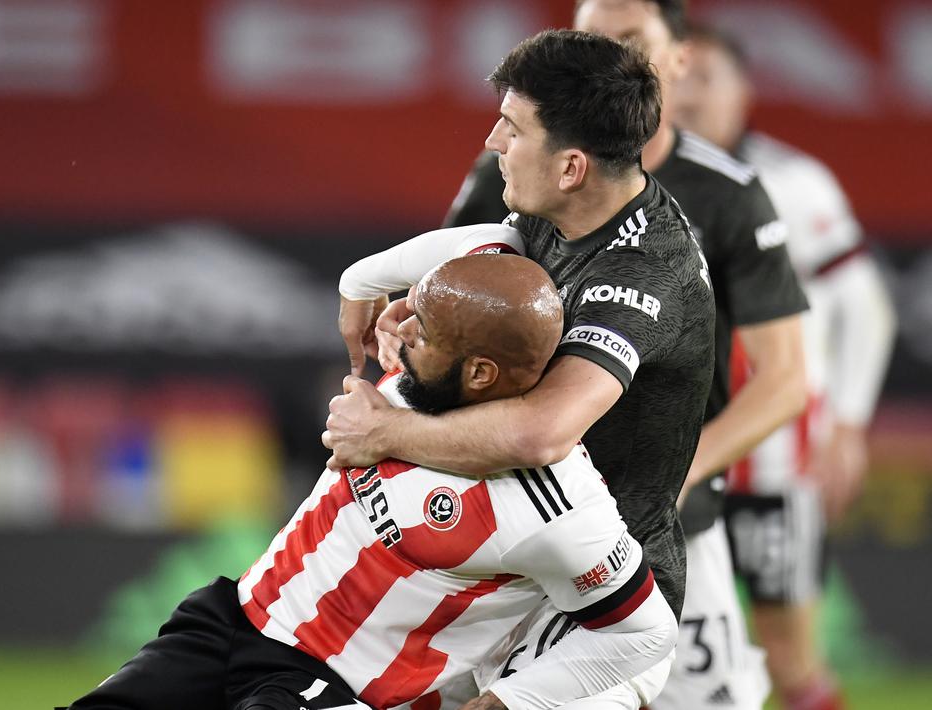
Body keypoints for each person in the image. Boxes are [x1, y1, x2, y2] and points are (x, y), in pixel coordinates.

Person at [332, 3, 810, 708]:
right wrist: (418, 309)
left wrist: (385, 432)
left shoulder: (658, 253)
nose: (495, 141)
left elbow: (543, 432)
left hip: (613, 574)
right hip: (518, 548)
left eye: (628, 40)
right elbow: (483, 266)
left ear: (572, 166)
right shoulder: (541, 199)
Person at [68, 255, 677, 710]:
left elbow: (645, 632)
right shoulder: (421, 373)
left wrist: (510, 702)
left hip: (328, 681)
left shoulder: (554, 503)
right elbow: (489, 235)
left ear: (480, 373)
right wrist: (363, 282)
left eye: (423, 330)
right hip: (233, 617)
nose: (402, 331)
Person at [670, 25, 897, 710]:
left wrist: (847, 425)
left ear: (745, 92)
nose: (688, 94)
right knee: (651, 650)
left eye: (706, 77)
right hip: (671, 456)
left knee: (792, 655)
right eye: (677, 75)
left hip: (770, 458)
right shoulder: (631, 179)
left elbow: (866, 307)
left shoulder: (793, 183)